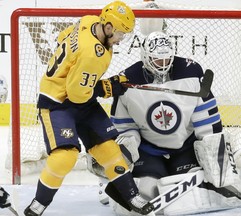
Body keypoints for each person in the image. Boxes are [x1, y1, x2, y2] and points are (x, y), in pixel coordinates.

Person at [88, 31, 241, 215]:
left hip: (184, 148)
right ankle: (113, 183)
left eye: (167, 60)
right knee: (148, 189)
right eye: (158, 61)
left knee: (189, 189)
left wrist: (217, 158)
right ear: (145, 57)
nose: (164, 65)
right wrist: (125, 152)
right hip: (149, 151)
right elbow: (125, 127)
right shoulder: (127, 81)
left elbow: (208, 122)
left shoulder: (191, 73)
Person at [23, 1, 154, 216]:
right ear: (109, 27)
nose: (121, 39)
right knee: (64, 157)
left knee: (109, 149)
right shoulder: (94, 54)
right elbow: (77, 94)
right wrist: (107, 87)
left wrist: (78, 72)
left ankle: (131, 195)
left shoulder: (90, 21)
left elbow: (62, 37)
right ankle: (39, 202)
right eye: (121, 33)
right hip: (57, 101)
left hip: (79, 94)